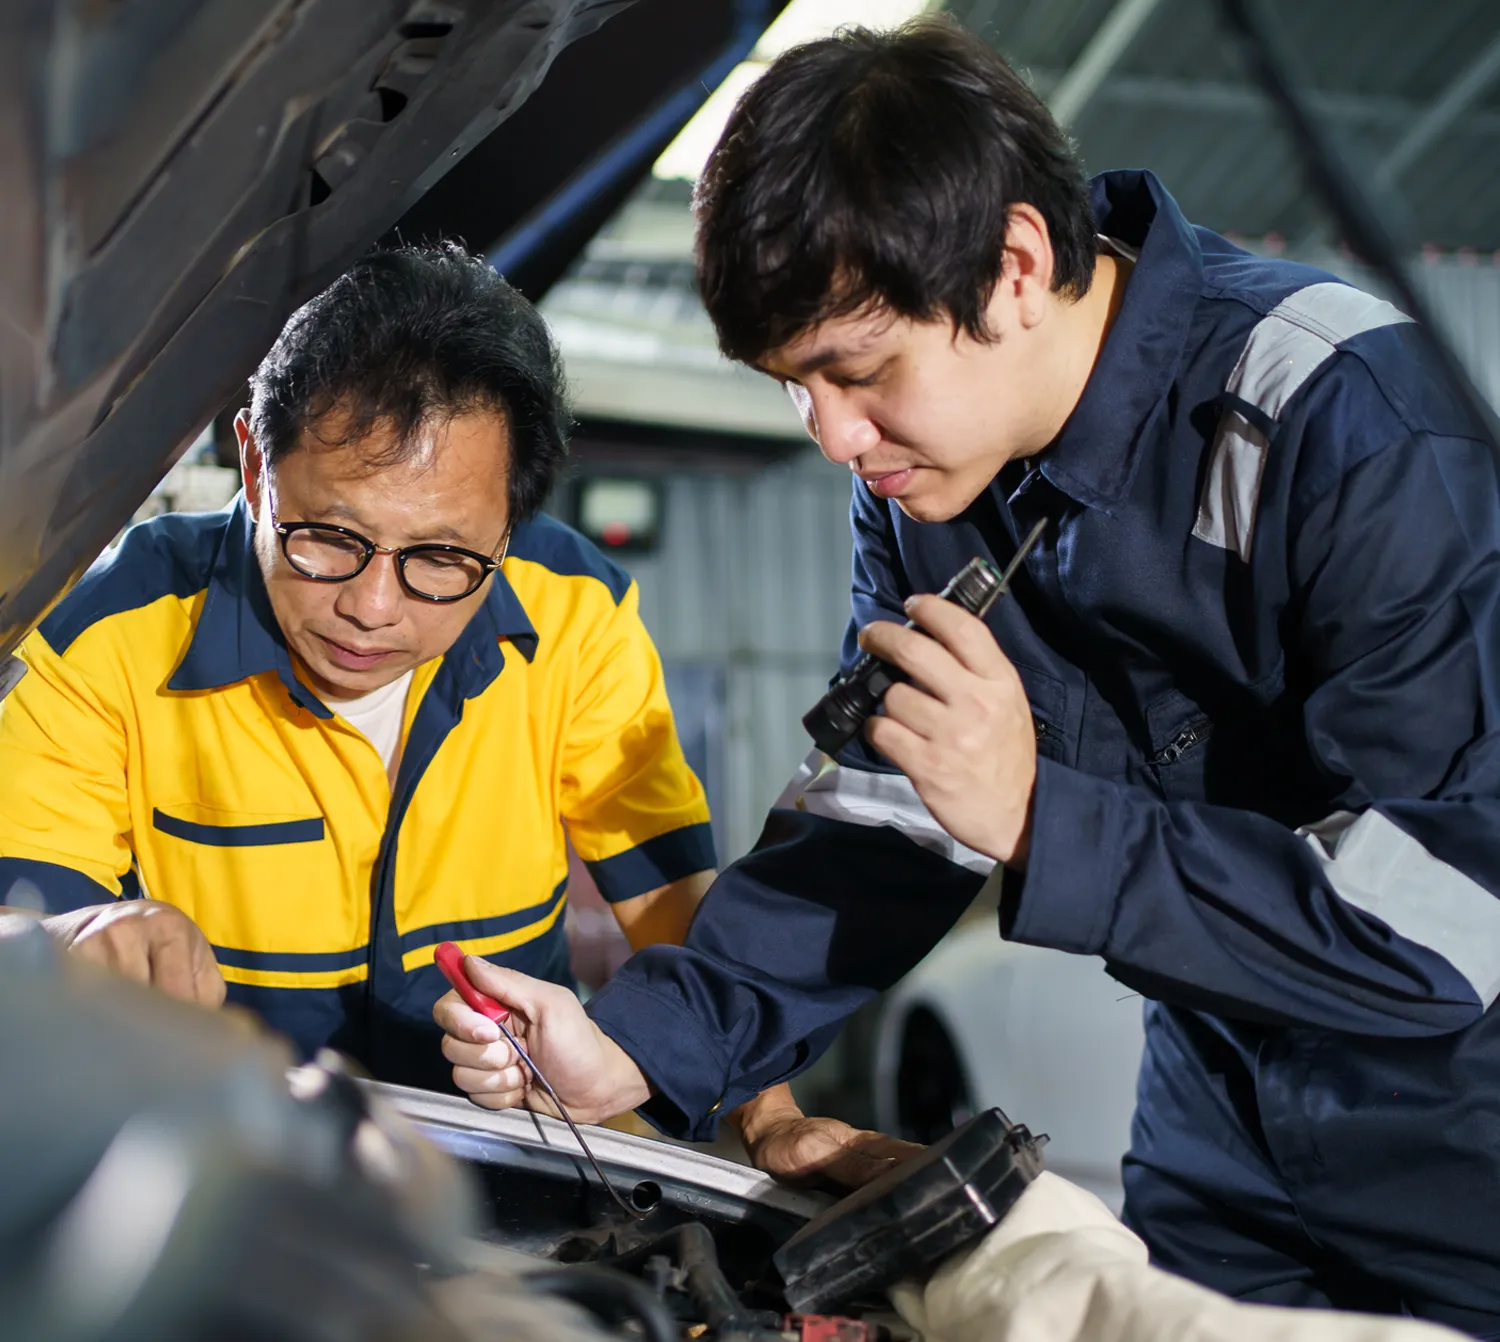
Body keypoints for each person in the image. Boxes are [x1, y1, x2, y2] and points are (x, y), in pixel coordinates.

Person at [433, 18, 1500, 1337]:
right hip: (1221, 1115)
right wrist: (645, 1043)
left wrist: (1045, 819)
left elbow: (1453, 915)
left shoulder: (1346, 421)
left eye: (858, 371)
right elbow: (882, 822)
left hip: (1467, 1132)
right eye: (795, 389)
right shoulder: (930, 482)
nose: (833, 435)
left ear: (1013, 267)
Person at [0, 243, 726, 1093]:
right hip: (220, 1165)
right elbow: (18, 914)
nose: (373, 607)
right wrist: (73, 938)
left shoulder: (575, 614)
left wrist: (769, 1119)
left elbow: (671, 897)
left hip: (511, 1170)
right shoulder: (107, 635)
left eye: (444, 557)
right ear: (254, 462)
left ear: (510, 526)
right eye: (330, 537)